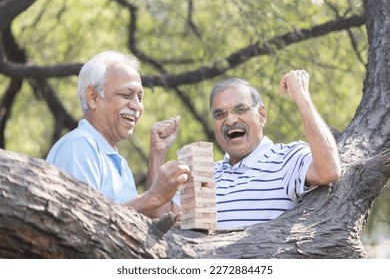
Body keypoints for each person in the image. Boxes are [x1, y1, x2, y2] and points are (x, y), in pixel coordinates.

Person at [46, 50, 190, 218]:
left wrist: (157, 153)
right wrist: (153, 196)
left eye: (140, 98)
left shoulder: (117, 162)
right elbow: (81, 224)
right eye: (126, 94)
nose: (137, 106)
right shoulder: (77, 148)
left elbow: (146, 224)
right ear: (93, 97)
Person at [209, 70, 341, 229]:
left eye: (241, 110)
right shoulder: (205, 175)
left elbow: (329, 170)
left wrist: (302, 97)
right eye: (220, 114)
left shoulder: (286, 158)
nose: (230, 120)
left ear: (262, 115)